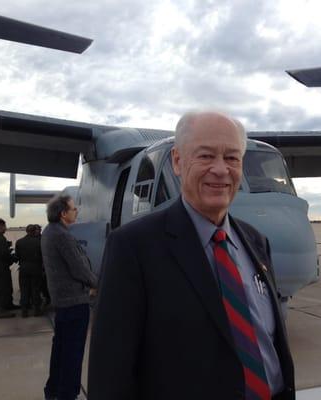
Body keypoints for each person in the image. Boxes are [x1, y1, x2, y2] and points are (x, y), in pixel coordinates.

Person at [88, 111, 295, 399]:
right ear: (177, 161)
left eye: (232, 158)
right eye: (206, 156)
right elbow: (110, 375)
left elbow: (268, 342)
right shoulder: (132, 247)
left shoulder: (256, 242)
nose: (221, 170)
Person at [41, 195, 98, 400]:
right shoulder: (62, 235)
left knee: (60, 350)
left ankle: (53, 390)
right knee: (73, 353)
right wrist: (96, 284)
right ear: (63, 213)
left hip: (62, 301)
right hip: (74, 302)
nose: (77, 212)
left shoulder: (49, 232)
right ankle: (67, 394)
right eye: (74, 209)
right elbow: (78, 268)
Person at [15, 224, 45, 317]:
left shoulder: (19, 242)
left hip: (23, 268)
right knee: (35, 289)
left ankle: (24, 310)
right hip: (36, 268)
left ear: (27, 231)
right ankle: (37, 310)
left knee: (24, 290)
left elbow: (17, 256)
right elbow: (42, 256)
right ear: (34, 231)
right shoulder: (39, 242)